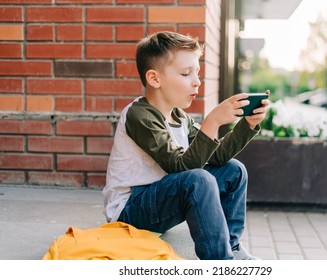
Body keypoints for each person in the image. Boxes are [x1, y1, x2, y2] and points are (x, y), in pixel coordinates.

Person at [102, 31, 270, 260]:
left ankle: (231, 247)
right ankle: (219, 262)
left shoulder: (180, 117)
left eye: (197, 73)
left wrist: (246, 125)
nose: (196, 81)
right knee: (198, 180)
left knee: (234, 170)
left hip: (160, 198)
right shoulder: (139, 115)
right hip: (130, 210)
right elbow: (180, 168)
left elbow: (216, 156)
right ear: (154, 79)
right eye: (185, 73)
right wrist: (212, 122)